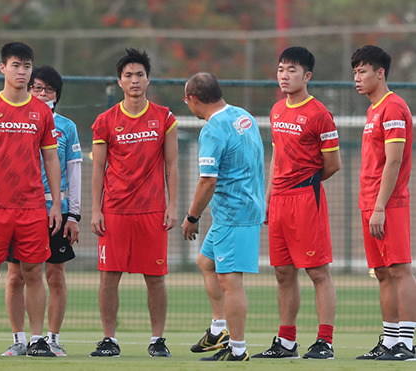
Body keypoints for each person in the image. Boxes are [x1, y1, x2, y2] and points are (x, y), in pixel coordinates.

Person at [0, 42, 62, 358]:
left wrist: (57, 203)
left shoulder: (42, 112)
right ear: (2, 68)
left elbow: (51, 160)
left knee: (33, 273)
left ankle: (36, 339)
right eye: (16, 65)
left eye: (27, 66)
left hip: (32, 207)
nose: (22, 71)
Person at [252, 46, 340, 360]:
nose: (284, 76)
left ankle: (324, 342)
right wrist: (267, 198)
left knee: (318, 272)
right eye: (280, 69)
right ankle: (287, 342)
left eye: (291, 70)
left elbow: (333, 164)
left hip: (306, 199)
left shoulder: (319, 113)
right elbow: (276, 157)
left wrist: (306, 184)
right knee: (283, 274)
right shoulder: (276, 110)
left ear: (307, 75)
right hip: (278, 202)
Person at [90, 48, 178, 358]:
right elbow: (98, 168)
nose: (134, 80)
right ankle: (109, 340)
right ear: (119, 82)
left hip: (152, 211)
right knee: (108, 277)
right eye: (128, 75)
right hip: (114, 211)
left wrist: (172, 205)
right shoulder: (105, 121)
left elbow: (171, 166)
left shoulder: (164, 117)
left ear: (148, 79)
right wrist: (95, 208)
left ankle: (157, 339)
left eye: (139, 74)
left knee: (155, 278)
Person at [181, 72, 264, 362]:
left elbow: (207, 180)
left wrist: (192, 217)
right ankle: (219, 330)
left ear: (192, 99)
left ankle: (238, 349)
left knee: (230, 281)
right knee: (206, 262)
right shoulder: (244, 116)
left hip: (234, 213)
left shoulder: (212, 129)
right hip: (243, 207)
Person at [2, 65, 82, 357]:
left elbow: (74, 173)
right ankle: (19, 339)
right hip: (19, 209)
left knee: (55, 275)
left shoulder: (67, 127)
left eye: (48, 89)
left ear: (56, 94)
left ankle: (51, 338)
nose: (41, 93)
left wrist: (73, 214)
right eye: (37, 87)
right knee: (15, 276)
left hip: (54, 210)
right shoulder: (14, 120)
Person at [352, 45, 416, 361]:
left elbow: (393, 162)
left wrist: (379, 206)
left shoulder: (393, 108)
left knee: (400, 270)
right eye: (354, 73)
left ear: (381, 73)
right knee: (382, 273)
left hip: (388, 205)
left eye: (363, 71)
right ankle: (390, 342)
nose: (357, 78)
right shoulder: (373, 109)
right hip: (370, 205)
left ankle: (407, 343)